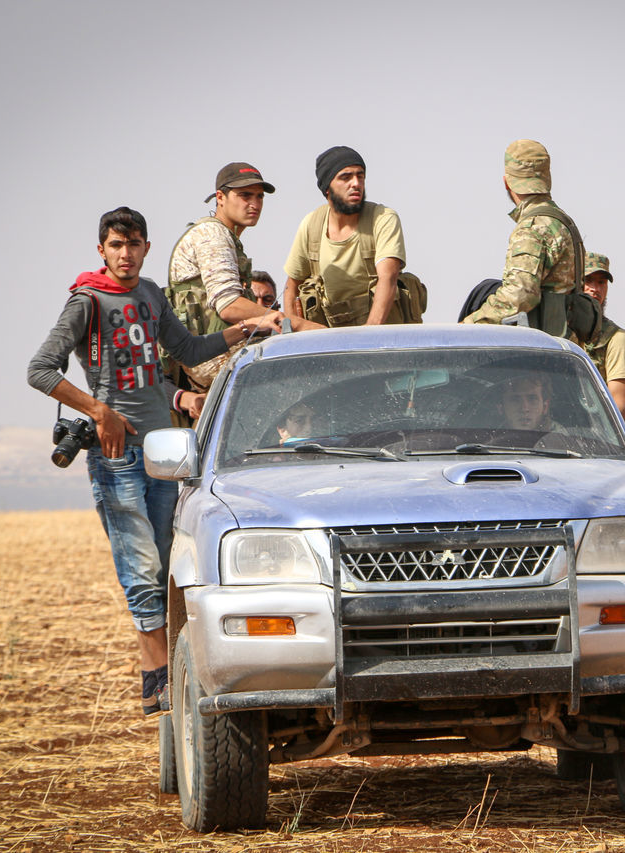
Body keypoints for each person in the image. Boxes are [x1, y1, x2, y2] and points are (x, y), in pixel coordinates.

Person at [28, 207, 260, 717]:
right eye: (115, 245)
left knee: (164, 561)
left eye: (133, 245)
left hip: (164, 452)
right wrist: (98, 410)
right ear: (101, 250)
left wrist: (249, 329)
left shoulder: (152, 295)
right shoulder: (86, 301)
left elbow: (189, 348)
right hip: (116, 455)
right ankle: (156, 680)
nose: (125, 254)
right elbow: (40, 370)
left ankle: (166, 676)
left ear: (146, 248)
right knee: (139, 565)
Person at [166, 162, 285, 398]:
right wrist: (284, 321)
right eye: (245, 195)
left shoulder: (226, 237)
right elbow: (229, 305)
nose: (254, 204)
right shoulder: (213, 234)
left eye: (259, 197)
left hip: (220, 363)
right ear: (220, 197)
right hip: (211, 361)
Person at [462, 139, 595, 342]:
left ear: (506, 182)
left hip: (541, 353)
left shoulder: (533, 227)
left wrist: (470, 325)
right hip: (565, 349)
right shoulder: (563, 222)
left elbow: (520, 294)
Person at [281, 146, 408, 329]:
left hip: (383, 339)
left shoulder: (382, 218)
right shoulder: (312, 225)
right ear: (327, 188)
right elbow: (291, 286)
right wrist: (294, 329)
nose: (356, 183)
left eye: (360, 176)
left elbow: (388, 276)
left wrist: (369, 333)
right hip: (331, 341)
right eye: (345, 177)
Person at [580, 252, 625, 424]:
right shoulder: (558, 332)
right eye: (587, 280)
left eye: (601, 282)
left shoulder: (615, 338)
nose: (595, 289)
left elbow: (620, 408)